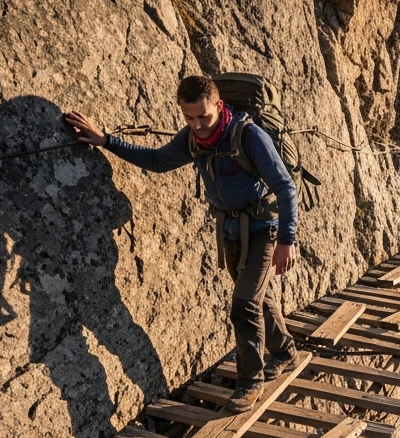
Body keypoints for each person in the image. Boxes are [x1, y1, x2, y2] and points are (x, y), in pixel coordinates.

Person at [64, 75, 299, 412]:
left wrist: (286, 241)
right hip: (231, 230)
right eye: (189, 117)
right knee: (258, 299)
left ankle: (251, 381)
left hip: (265, 229)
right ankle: (285, 351)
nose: (198, 125)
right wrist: (106, 141)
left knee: (244, 303)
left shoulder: (249, 136)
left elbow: (285, 187)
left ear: (219, 106)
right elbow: (158, 162)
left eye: (203, 116)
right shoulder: (193, 139)